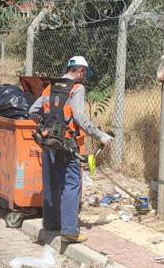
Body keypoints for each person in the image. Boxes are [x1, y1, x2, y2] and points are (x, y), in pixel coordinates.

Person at [29, 56, 112, 243]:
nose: (85, 77)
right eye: (85, 73)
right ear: (80, 70)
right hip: (67, 145)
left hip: (48, 142)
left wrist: (45, 126)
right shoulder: (77, 88)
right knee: (72, 185)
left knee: (51, 184)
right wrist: (101, 136)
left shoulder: (50, 87)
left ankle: (51, 225)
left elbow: (32, 111)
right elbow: (80, 119)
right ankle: (69, 231)